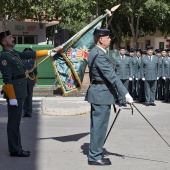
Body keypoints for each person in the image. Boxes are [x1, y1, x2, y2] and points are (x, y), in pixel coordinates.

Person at [0, 30, 59, 157]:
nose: (13, 39)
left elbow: (29, 55)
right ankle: (15, 149)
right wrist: (12, 97)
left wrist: (47, 52)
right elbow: (7, 78)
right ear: (4, 42)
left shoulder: (13, 53)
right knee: (14, 122)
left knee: (16, 121)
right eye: (10, 38)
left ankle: (17, 147)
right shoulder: (4, 56)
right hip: (14, 92)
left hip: (20, 90)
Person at [85, 28, 133, 166]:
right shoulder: (99, 54)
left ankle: (95, 152)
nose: (110, 39)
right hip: (101, 94)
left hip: (100, 92)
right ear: (101, 39)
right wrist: (126, 93)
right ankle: (94, 156)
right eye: (108, 37)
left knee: (98, 126)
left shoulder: (97, 52)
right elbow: (111, 76)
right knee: (99, 126)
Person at [22, 48, 38, 117]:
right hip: (23, 80)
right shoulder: (21, 60)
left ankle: (29, 112)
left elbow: (36, 72)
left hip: (31, 80)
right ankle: (25, 112)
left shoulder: (34, 61)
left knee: (29, 96)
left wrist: (36, 82)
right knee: (24, 96)